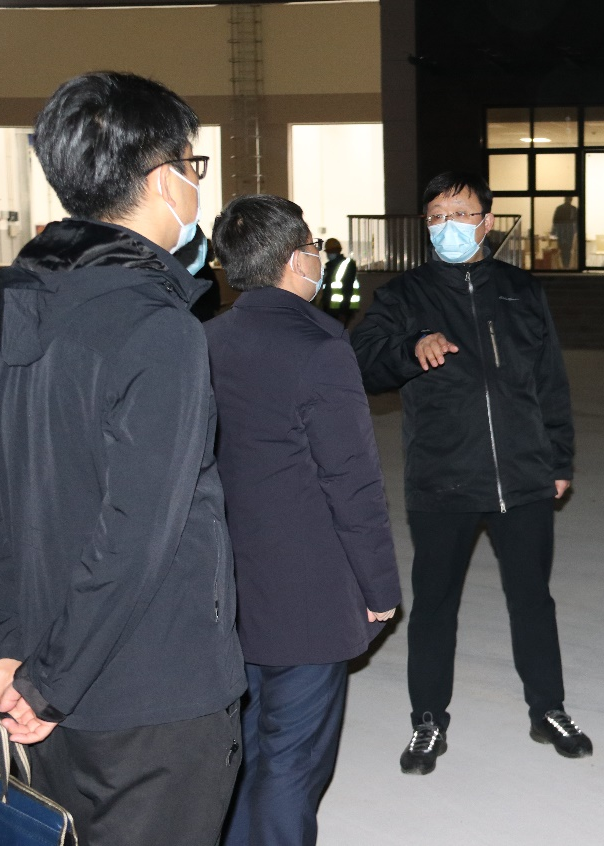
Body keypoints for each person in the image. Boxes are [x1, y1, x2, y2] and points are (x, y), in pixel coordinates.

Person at [0, 72, 245, 846]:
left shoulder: (12, 319)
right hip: (151, 699)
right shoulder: (158, 328)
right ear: (161, 179)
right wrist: (46, 684)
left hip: (41, 676)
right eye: (191, 164)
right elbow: (137, 532)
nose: (193, 184)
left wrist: (3, 651)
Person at [350, 171, 591, 774]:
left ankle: (549, 709)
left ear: (487, 222)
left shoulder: (520, 289)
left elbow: (550, 381)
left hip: (522, 475)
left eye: (460, 214)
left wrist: (559, 458)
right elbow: (363, 361)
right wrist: (409, 348)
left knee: (532, 599)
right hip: (443, 477)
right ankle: (428, 720)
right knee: (434, 605)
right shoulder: (403, 296)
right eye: (436, 216)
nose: (447, 226)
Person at [205, 196, 402, 845]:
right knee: (290, 764)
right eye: (314, 247)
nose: (318, 257)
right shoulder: (319, 348)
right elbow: (352, 482)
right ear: (295, 259)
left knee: (241, 754)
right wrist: (379, 588)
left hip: (227, 585)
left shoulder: (207, 340)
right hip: (307, 593)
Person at [317, 237, 360, 324]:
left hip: (340, 310)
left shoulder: (347, 265)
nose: (329, 254)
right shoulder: (330, 267)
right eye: (329, 252)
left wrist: (343, 312)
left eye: (331, 251)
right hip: (330, 309)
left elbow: (347, 289)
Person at [551, 196, 578, 269]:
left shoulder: (560, 208)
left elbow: (555, 222)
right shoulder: (573, 209)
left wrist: (553, 233)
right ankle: (566, 265)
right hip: (567, 231)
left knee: (563, 249)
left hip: (563, 231)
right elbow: (555, 222)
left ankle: (565, 265)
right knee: (566, 249)